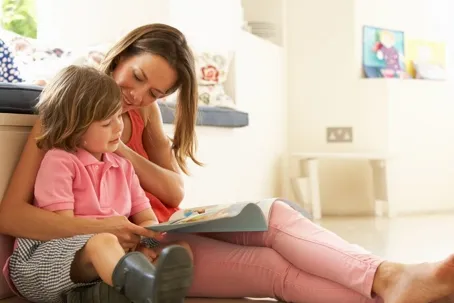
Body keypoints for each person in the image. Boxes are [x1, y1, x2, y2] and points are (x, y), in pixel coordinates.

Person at [1, 23, 454, 303]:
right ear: (120, 56)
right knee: (275, 270)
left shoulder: (142, 116)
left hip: (162, 228)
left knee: (273, 214)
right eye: (136, 78)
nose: (136, 97)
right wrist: (118, 223)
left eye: (155, 93)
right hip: (133, 246)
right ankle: (396, 291)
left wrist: (119, 147)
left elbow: (173, 194)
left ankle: (391, 276)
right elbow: (14, 215)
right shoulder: (69, 114)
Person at [3, 65, 194, 303]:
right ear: (75, 128)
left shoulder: (123, 166)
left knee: (178, 248)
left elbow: (146, 218)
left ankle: (113, 291)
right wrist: (110, 234)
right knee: (103, 243)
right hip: (45, 261)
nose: (118, 127)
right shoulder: (60, 161)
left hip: (99, 261)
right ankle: (143, 288)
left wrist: (147, 241)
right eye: (106, 123)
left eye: (118, 116)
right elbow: (64, 228)